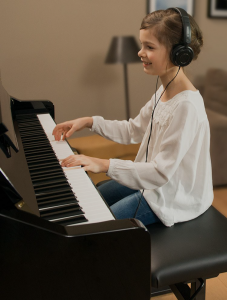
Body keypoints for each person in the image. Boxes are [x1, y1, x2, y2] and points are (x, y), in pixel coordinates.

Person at [53, 8, 213, 227]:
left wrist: (102, 163)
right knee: (97, 193)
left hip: (172, 196)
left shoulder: (186, 106)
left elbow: (160, 172)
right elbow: (133, 130)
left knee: (100, 223)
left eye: (149, 47)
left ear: (179, 53)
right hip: (152, 182)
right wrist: (90, 121)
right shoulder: (164, 91)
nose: (140, 53)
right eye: (142, 45)